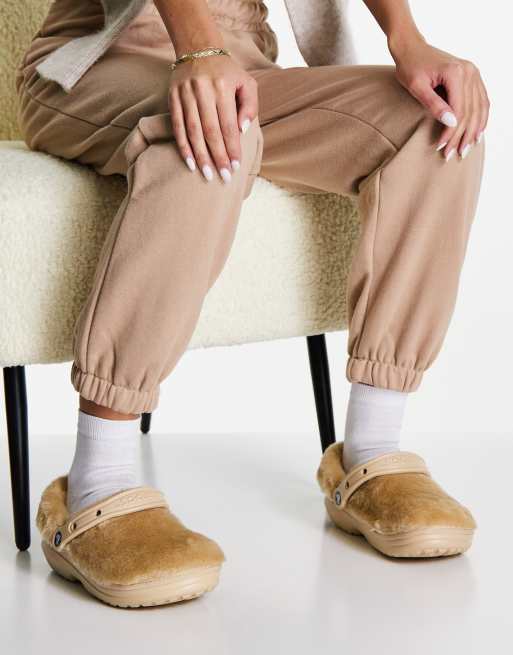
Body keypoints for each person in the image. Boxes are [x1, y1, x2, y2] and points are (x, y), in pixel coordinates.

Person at [16, 0, 488, 607]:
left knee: (437, 119)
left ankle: (372, 453)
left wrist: (408, 39)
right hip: (105, 59)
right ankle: (96, 484)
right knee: (212, 128)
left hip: (245, 64)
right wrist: (198, 49)